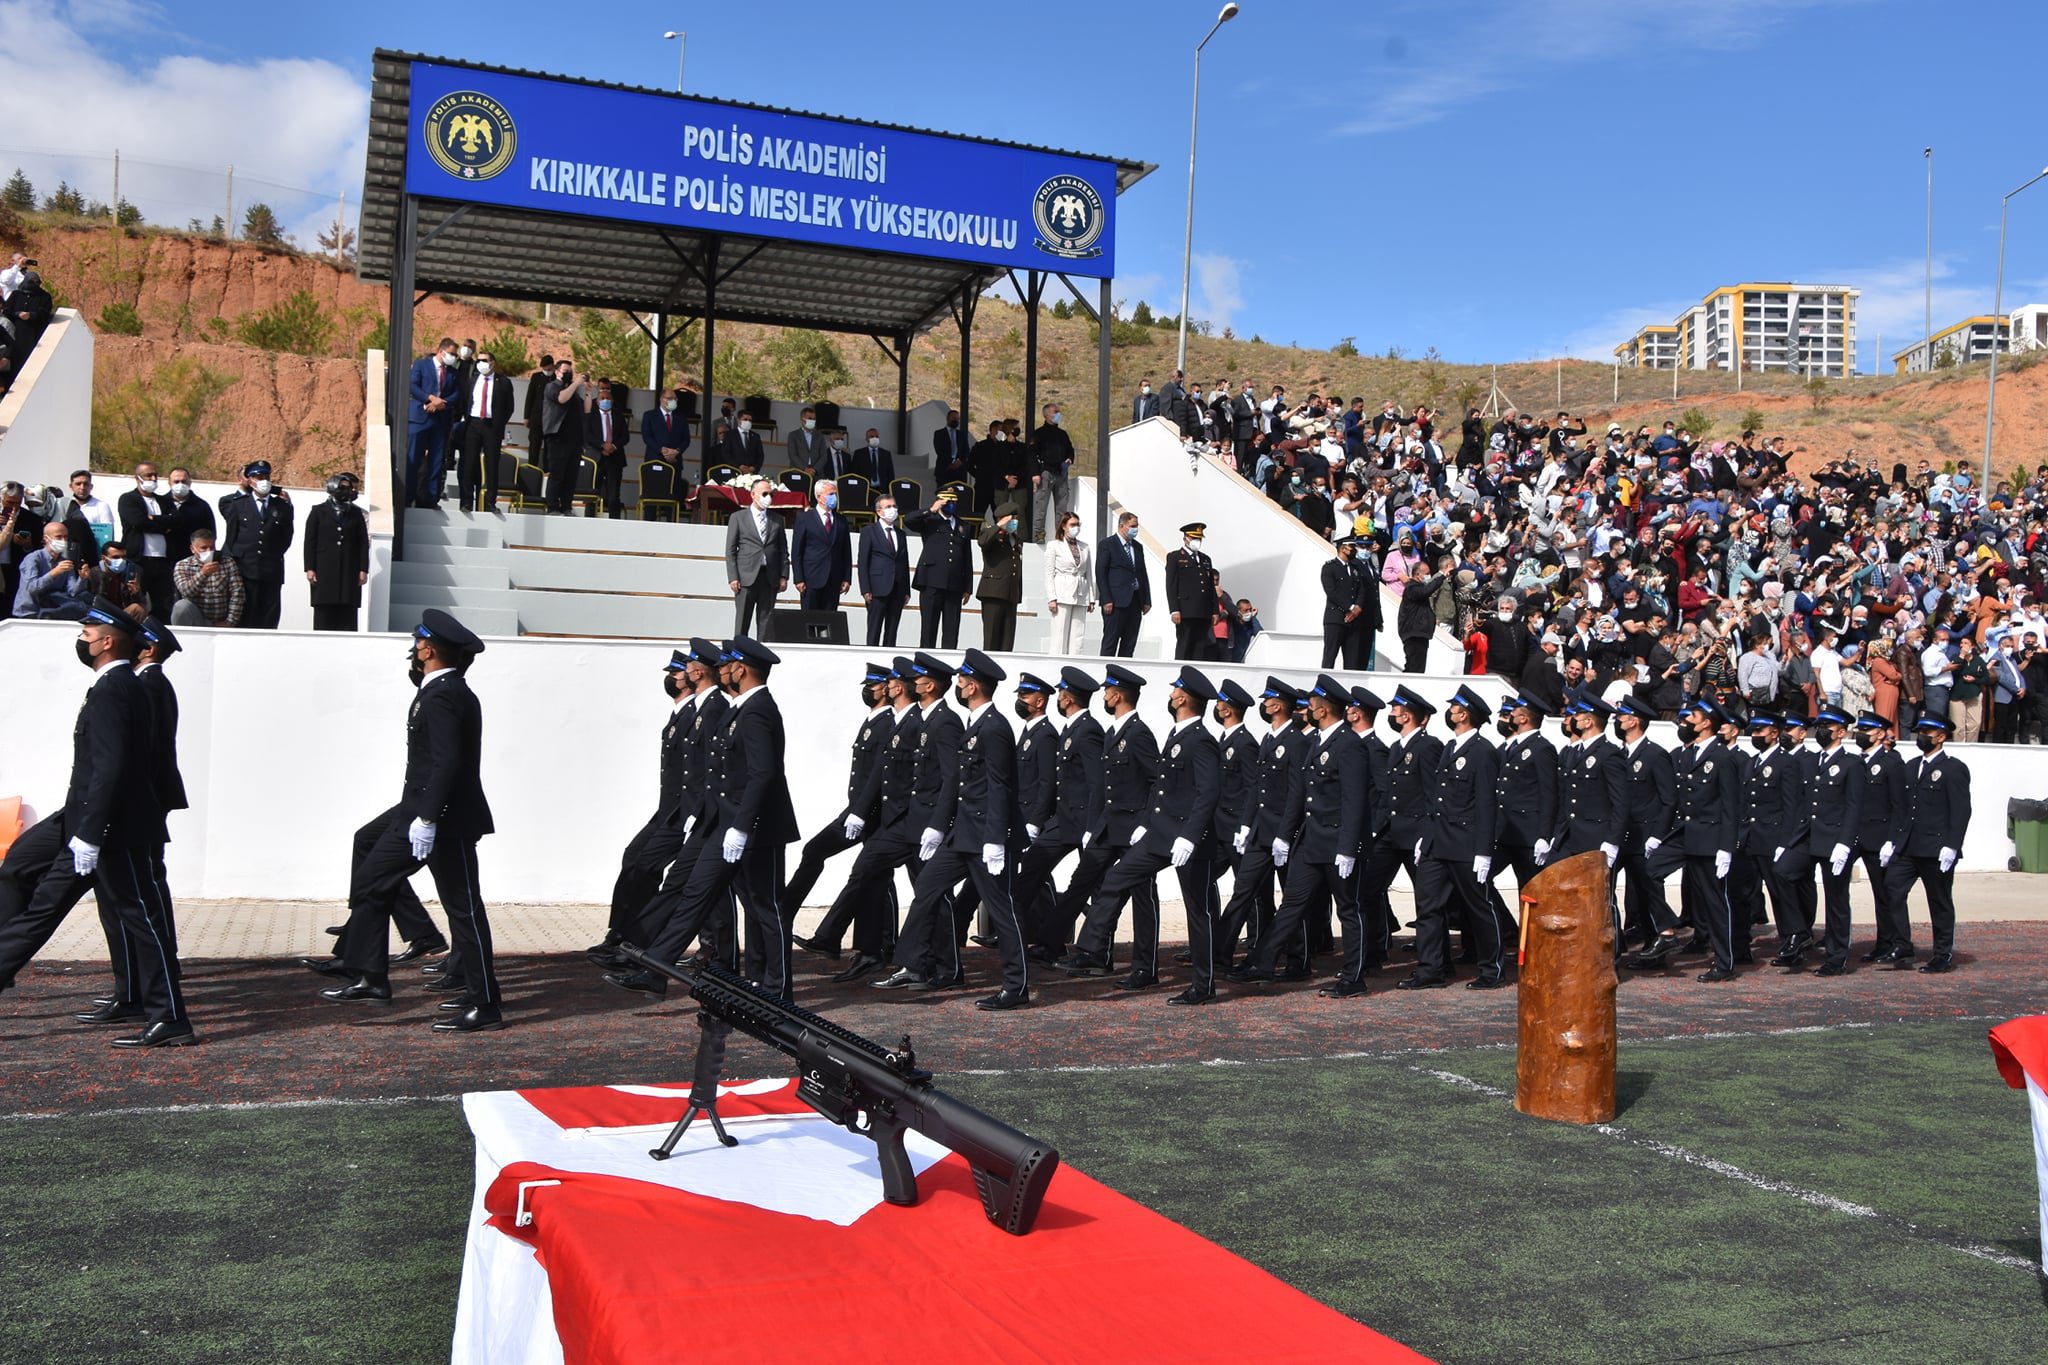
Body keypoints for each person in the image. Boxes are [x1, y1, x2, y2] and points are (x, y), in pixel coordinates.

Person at [0, 599, 191, 1046]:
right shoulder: (116, 685)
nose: (81, 642)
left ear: (107, 643)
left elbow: (111, 768)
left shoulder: (117, 689)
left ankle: (170, 1017)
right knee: (41, 910)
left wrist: (89, 833)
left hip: (109, 832)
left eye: (87, 636)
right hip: (89, 826)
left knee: (141, 919)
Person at [320, 610, 501, 1032]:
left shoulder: (445, 694)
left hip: (442, 817)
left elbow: (448, 762)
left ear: (430, 648)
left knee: (464, 909)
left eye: (419, 641)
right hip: (419, 809)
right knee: (369, 863)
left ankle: (485, 1003)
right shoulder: (438, 689)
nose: (415, 647)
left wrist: (428, 818)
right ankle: (369, 974)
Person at [616, 638, 799, 998]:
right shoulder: (738, 708)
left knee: (767, 908)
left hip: (755, 830)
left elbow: (763, 774)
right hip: (722, 825)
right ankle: (656, 969)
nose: (722, 670)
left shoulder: (759, 709)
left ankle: (779, 989)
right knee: (695, 895)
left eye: (727, 665)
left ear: (740, 669)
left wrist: (742, 828)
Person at [883, 651, 1030, 1010]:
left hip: (986, 839)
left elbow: (999, 787)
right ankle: (915, 963)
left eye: (963, 680)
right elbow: (964, 785)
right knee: (927, 890)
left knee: (1002, 911)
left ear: (973, 685)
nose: (959, 685)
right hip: (963, 834)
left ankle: (1016, 987)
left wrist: (996, 840)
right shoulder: (975, 724)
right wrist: (939, 829)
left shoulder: (994, 727)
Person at [1069, 668, 1222, 1002]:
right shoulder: (1178, 734)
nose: (1169, 697)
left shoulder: (1201, 739)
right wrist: (1145, 823)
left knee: (1198, 912)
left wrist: (1190, 836)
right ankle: (1092, 947)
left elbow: (1208, 792)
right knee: (1116, 878)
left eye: (1173, 693)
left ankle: (1203, 984)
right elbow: (1162, 787)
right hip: (1159, 833)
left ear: (1182, 698)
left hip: (1186, 841)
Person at [1233, 674, 1370, 998]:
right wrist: (1285, 835)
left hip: (1338, 843)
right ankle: (1264, 962)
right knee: (1292, 903)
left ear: (1323, 709)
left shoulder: (1349, 744)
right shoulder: (1317, 742)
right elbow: (1301, 794)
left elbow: (1355, 800)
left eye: (1312, 705)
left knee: (1348, 909)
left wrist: (1349, 848)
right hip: (1311, 840)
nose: (1307, 709)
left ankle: (1354, 977)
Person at [587, 649, 703, 969]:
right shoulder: (682, 712)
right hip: (668, 808)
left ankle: (638, 937)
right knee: (635, 858)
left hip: (684, 811)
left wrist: (691, 814)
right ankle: (623, 931)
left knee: (663, 872)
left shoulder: (697, 713)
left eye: (676, 673)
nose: (671, 678)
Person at [1052, 664, 1160, 979]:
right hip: (1109, 826)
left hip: (1133, 831)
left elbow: (1156, 781)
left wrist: (1145, 822)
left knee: (1143, 897)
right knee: (1090, 881)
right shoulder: (1113, 731)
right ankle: (1095, 953)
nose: (1104, 695)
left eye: (1107, 691)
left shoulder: (1138, 733)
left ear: (1117, 694)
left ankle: (1146, 966)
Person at [784, 662, 898, 954]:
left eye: (871, 686)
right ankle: (864, 942)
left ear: (885, 688)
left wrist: (859, 812)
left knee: (872, 873)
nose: (867, 691)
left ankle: (796, 920)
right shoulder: (873, 720)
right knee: (869, 873)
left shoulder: (887, 724)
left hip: (868, 814)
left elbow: (879, 776)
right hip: (857, 811)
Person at [1400, 684, 1503, 991]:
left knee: (1479, 907)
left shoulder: (1483, 751)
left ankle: (1492, 968)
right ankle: (1430, 968)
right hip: (1437, 842)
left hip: (1466, 844)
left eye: (1455, 708)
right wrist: (1425, 837)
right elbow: (1437, 798)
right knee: (1428, 905)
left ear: (1465, 713)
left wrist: (1484, 851)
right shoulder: (1450, 747)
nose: (1450, 713)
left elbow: (1486, 803)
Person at [1221, 678, 1313, 976]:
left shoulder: (1297, 741)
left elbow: (1296, 793)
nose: (1263, 705)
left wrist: (1285, 836)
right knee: (1242, 891)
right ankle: (1220, 953)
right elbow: (1257, 788)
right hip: (1261, 833)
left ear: (1277, 705)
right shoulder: (1269, 739)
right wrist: (1246, 825)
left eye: (1267, 701)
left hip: (1285, 835)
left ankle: (1299, 961)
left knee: (1291, 900)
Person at [1020, 667, 1105, 961]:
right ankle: (1027, 936)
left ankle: (1085, 948)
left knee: (1086, 886)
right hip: (1063, 819)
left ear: (1067, 698)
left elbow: (1097, 783)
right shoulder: (1071, 728)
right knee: (1032, 868)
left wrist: (1092, 827)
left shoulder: (1089, 730)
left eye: (1061, 693)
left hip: (1083, 822)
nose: (1059, 698)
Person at [1881, 715, 1970, 974]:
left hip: (1936, 847)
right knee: (1892, 889)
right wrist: (1892, 840)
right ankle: (1902, 944)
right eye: (1920, 732)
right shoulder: (1910, 767)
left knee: (1939, 901)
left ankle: (1942, 954)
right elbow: (1901, 809)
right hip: (1909, 846)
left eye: (1927, 732)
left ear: (1941, 736)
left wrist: (1952, 845)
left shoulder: (1954, 768)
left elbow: (1961, 810)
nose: (1922, 737)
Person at [1796, 706, 1866, 977]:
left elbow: (1854, 807)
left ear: (1842, 732)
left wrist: (1845, 843)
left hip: (1835, 841)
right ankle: (1798, 938)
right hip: (1810, 838)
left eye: (1828, 726)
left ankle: (1837, 955)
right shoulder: (1812, 761)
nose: (1822, 730)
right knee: (1786, 877)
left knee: (1836, 899)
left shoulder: (1851, 764)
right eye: (1820, 725)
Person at [219, 461, 293, 629]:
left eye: (266, 476)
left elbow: (286, 536)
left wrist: (272, 555)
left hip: (271, 569)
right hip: (244, 570)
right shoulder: (237, 504)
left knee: (268, 619)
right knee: (245, 617)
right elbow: (233, 536)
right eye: (258, 477)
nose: (263, 480)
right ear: (249, 480)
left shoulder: (281, 506)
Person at [902, 493, 974, 649]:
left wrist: (968, 587)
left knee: (951, 631)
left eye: (954, 501)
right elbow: (908, 520)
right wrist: (930, 509)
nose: (951, 504)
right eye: (948, 501)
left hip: (954, 584)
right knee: (928, 629)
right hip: (931, 581)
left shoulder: (963, 526)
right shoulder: (929, 520)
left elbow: (967, 558)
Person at [304, 474, 370, 632]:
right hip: (325, 570)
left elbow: (362, 542)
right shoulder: (318, 512)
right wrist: (310, 567)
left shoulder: (355, 513)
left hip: (349, 570)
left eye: (348, 488)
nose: (346, 491)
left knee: (347, 614)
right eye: (342, 488)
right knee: (324, 615)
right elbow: (310, 541)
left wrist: (363, 569)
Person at [724, 477, 788, 637]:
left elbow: (783, 550)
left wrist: (784, 575)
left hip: (770, 576)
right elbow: (730, 550)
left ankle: (761, 658)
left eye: (771, 494)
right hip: (746, 578)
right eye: (764, 493)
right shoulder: (738, 517)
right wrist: (733, 577)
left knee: (766, 623)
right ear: (753, 494)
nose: (768, 497)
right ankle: (738, 657)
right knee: (742, 622)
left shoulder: (777, 519)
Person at [406, 337, 462, 509]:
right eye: (451, 354)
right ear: (441, 351)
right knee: (413, 459)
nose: (453, 358)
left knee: (436, 462)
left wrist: (441, 403)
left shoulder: (453, 372)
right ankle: (407, 497)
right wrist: (430, 398)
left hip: (440, 421)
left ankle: (430, 499)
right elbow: (413, 386)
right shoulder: (421, 365)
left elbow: (457, 393)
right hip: (419, 419)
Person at [458, 347, 515, 513]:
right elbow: (465, 400)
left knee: (491, 465)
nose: (481, 364)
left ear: (492, 363)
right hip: (473, 424)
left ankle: (491, 502)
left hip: (492, 426)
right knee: (469, 463)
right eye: (479, 361)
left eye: (484, 360)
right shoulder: (473, 380)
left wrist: (499, 423)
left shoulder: (503, 381)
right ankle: (466, 501)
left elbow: (509, 407)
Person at [116, 462, 176, 618]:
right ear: (138, 478)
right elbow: (138, 522)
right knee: (135, 601)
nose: (153, 478)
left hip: (163, 561)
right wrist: (164, 526)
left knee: (163, 606)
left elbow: (177, 521)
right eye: (149, 475)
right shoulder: (128, 499)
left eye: (155, 475)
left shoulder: (165, 501)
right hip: (139, 560)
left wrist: (154, 519)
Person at [856, 495, 911, 647]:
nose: (892, 510)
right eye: (888, 507)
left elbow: (904, 563)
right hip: (877, 588)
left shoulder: (901, 534)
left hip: (897, 589)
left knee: (892, 631)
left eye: (894, 506)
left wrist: (906, 590)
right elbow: (863, 562)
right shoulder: (869, 531)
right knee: (874, 630)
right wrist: (865, 589)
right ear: (879, 512)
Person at [789, 479, 851, 615]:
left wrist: (847, 578)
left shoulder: (841, 520)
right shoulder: (804, 518)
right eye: (830, 494)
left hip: (834, 579)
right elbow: (797, 551)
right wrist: (798, 578)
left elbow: (846, 552)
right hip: (811, 578)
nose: (834, 497)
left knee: (829, 622)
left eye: (835, 494)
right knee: (809, 620)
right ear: (819, 496)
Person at [1097, 511, 1151, 658]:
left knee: (1129, 643)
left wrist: (1146, 600)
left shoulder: (1137, 547)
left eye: (1137, 526)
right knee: (1111, 641)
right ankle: (1106, 674)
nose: (1136, 529)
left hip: (1135, 600)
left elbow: (1142, 574)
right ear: (1122, 526)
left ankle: (1123, 676)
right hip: (1115, 602)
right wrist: (1106, 599)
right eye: (1132, 526)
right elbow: (1101, 573)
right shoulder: (1107, 544)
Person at [11, 521, 91, 619]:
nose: (63, 540)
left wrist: (82, 579)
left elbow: (72, 592)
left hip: (53, 612)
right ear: (46, 539)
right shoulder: (33, 558)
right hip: (30, 612)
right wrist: (54, 573)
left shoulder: (65, 560)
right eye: (58, 537)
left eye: (65, 537)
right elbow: (31, 588)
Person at [1164, 522, 1219, 661]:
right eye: (1194, 538)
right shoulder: (1175, 557)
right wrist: (1174, 609)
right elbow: (1171, 585)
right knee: (1185, 645)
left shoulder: (1206, 559)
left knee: (1200, 648)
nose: (1197, 541)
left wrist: (1215, 610)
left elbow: (1210, 587)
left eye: (1199, 538)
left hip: (1203, 611)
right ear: (1186, 538)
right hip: (1186, 610)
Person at [170, 529, 244, 628]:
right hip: (196, 620)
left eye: (212, 547)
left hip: (221, 620)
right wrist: (203, 574)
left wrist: (230, 622)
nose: (208, 551)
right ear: (193, 549)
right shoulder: (182, 565)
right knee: (181, 606)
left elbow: (237, 593)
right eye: (203, 548)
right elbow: (186, 591)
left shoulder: (228, 563)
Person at [976, 502, 1025, 651]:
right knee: (992, 639)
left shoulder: (1016, 540)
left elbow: (1017, 568)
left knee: (1007, 641)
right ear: (1003, 519)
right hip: (993, 592)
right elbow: (982, 541)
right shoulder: (990, 533)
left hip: (1010, 594)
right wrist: (999, 526)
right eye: (1012, 519)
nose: (1015, 522)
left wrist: (1018, 594)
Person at [1043, 511, 1093, 654]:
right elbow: (1048, 574)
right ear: (1064, 526)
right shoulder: (1054, 545)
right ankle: (1056, 665)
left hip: (1080, 592)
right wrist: (1051, 598)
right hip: (1062, 592)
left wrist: (1090, 598)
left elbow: (1088, 573)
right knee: (1059, 635)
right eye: (1072, 524)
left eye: (1077, 524)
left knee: (1078, 635)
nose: (1075, 527)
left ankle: (1074, 665)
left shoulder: (1084, 547)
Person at [540, 359, 586, 513]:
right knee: (557, 474)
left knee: (571, 476)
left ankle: (566, 506)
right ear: (557, 372)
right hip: (558, 438)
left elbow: (586, 409)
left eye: (570, 371)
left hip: (574, 440)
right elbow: (561, 398)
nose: (569, 374)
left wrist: (588, 391)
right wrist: (575, 384)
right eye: (565, 371)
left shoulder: (572, 391)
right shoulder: (551, 387)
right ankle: (552, 506)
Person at [1320, 535, 1371, 669]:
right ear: (1343, 548)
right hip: (1335, 618)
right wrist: (1350, 607)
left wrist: (1357, 608)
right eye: (1352, 546)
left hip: (1353, 621)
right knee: (1329, 657)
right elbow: (1331, 592)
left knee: (1352, 661)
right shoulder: (1329, 568)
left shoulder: (1355, 569)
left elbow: (1361, 590)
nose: (1354, 549)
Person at [585, 379, 631, 517]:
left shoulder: (618, 414)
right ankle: (589, 522)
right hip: (596, 459)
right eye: (602, 398)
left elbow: (625, 436)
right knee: (592, 495)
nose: (605, 400)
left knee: (613, 497)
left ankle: (614, 524)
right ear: (597, 401)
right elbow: (587, 434)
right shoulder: (591, 415)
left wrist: (613, 446)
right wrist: (601, 445)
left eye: (608, 398)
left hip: (615, 459)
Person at [1030, 402, 1074, 544]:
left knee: (1062, 508)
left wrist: (1069, 459)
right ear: (1047, 414)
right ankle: (1039, 535)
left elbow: (1070, 450)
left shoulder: (1062, 434)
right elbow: (1031, 454)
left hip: (1061, 474)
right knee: (1041, 507)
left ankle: (1060, 537)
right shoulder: (1039, 434)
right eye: (1056, 412)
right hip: (1045, 473)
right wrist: (1035, 473)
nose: (1058, 414)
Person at [1397, 558, 1448, 673]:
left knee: (1418, 667)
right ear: (1417, 574)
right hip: (1414, 633)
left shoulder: (1419, 588)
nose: (1428, 576)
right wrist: (1441, 575)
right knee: (1414, 667)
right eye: (1427, 574)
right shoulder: (1411, 588)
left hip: (1421, 634)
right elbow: (1424, 592)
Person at [640, 388, 693, 473]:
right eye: (670, 398)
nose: (673, 401)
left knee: (675, 486)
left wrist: (676, 451)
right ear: (661, 399)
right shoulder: (649, 415)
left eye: (675, 399)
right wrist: (662, 450)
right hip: (655, 460)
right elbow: (647, 437)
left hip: (675, 462)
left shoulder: (681, 418)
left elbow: (686, 439)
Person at [932, 409, 971, 486]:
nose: (955, 420)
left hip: (959, 471)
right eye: (953, 418)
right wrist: (952, 462)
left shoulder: (961, 434)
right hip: (944, 469)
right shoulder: (939, 433)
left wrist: (959, 461)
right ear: (948, 418)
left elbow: (966, 450)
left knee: (959, 495)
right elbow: (939, 451)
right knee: (943, 495)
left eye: (957, 419)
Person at [787, 406, 829, 473]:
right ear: (802, 419)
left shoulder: (820, 436)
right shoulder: (793, 435)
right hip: (798, 472)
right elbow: (793, 455)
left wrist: (814, 469)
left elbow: (824, 456)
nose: (812, 421)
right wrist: (804, 469)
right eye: (809, 418)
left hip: (816, 473)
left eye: (814, 419)